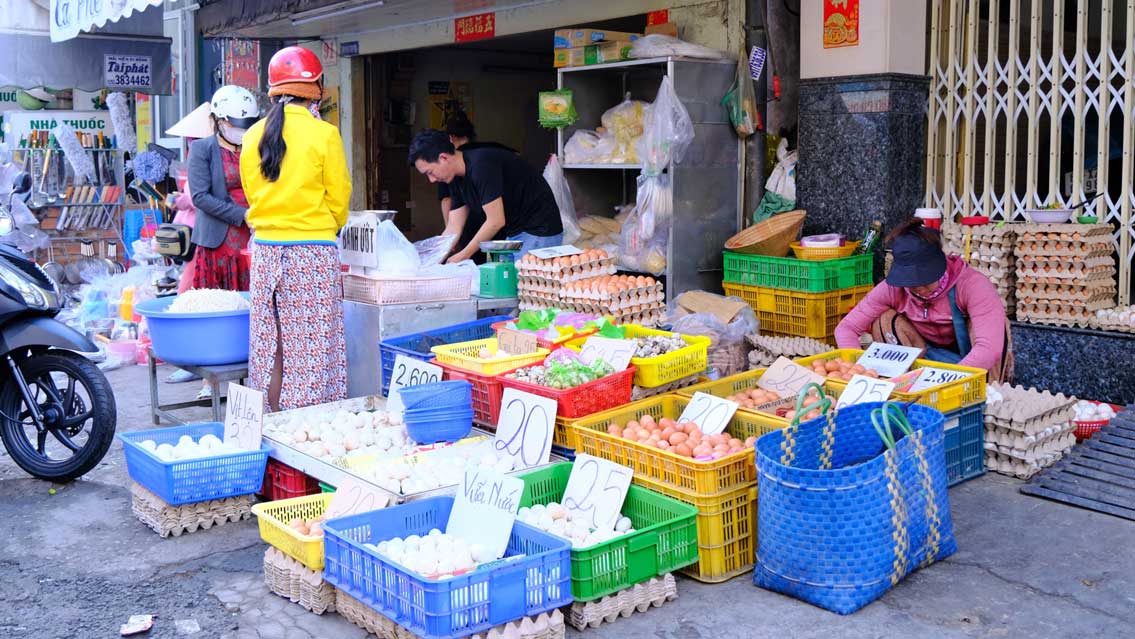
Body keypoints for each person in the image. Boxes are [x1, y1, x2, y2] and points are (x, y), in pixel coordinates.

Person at [239, 46, 351, 412]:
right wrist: (325, 227)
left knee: (271, 348)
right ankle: (304, 433)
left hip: (267, 251)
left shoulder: (252, 135)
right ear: (316, 86)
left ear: (273, 88)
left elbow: (252, 193)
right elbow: (339, 199)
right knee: (312, 352)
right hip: (313, 254)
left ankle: (271, 426)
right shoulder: (325, 135)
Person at [834, 219, 1013, 382]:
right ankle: (907, 381)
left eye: (924, 279)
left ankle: (989, 389)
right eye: (910, 281)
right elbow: (846, 329)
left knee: (996, 327)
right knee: (884, 321)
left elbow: (989, 348)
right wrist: (857, 371)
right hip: (924, 355)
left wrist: (949, 382)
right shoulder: (892, 289)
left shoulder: (972, 285)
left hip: (970, 359)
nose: (917, 286)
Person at [174, 86, 261, 398]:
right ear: (220, 121)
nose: (241, 132)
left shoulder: (256, 146)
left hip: (253, 243)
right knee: (216, 312)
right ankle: (208, 383)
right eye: (236, 126)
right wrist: (242, 215)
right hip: (218, 244)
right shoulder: (202, 150)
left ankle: (248, 381)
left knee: (249, 311)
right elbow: (200, 198)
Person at [409, 129, 562, 261]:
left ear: (443, 158)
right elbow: (454, 226)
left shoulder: (481, 165)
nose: (431, 180)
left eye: (430, 172)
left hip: (539, 230)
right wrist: (432, 259)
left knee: (526, 289)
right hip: (513, 233)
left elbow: (496, 221)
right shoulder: (455, 179)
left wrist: (463, 255)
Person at [436, 111, 517, 263]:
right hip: (502, 225)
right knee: (498, 268)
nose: (432, 179)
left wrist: (454, 245)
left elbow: (446, 200)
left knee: (479, 268)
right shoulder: (490, 149)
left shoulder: (451, 163)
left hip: (477, 225)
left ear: (450, 138)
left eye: (431, 173)